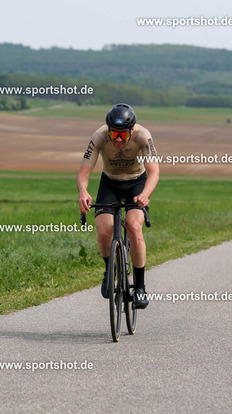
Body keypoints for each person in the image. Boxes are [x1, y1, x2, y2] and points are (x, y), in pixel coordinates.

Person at [77, 103, 159, 308]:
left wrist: (145, 195)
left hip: (136, 183)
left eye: (123, 135)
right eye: (114, 134)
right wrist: (83, 192)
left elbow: (154, 172)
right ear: (109, 131)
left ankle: (140, 287)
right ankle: (109, 270)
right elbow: (84, 171)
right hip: (110, 183)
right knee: (104, 231)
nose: (119, 140)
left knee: (133, 227)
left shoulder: (142, 136)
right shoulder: (99, 136)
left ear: (132, 130)